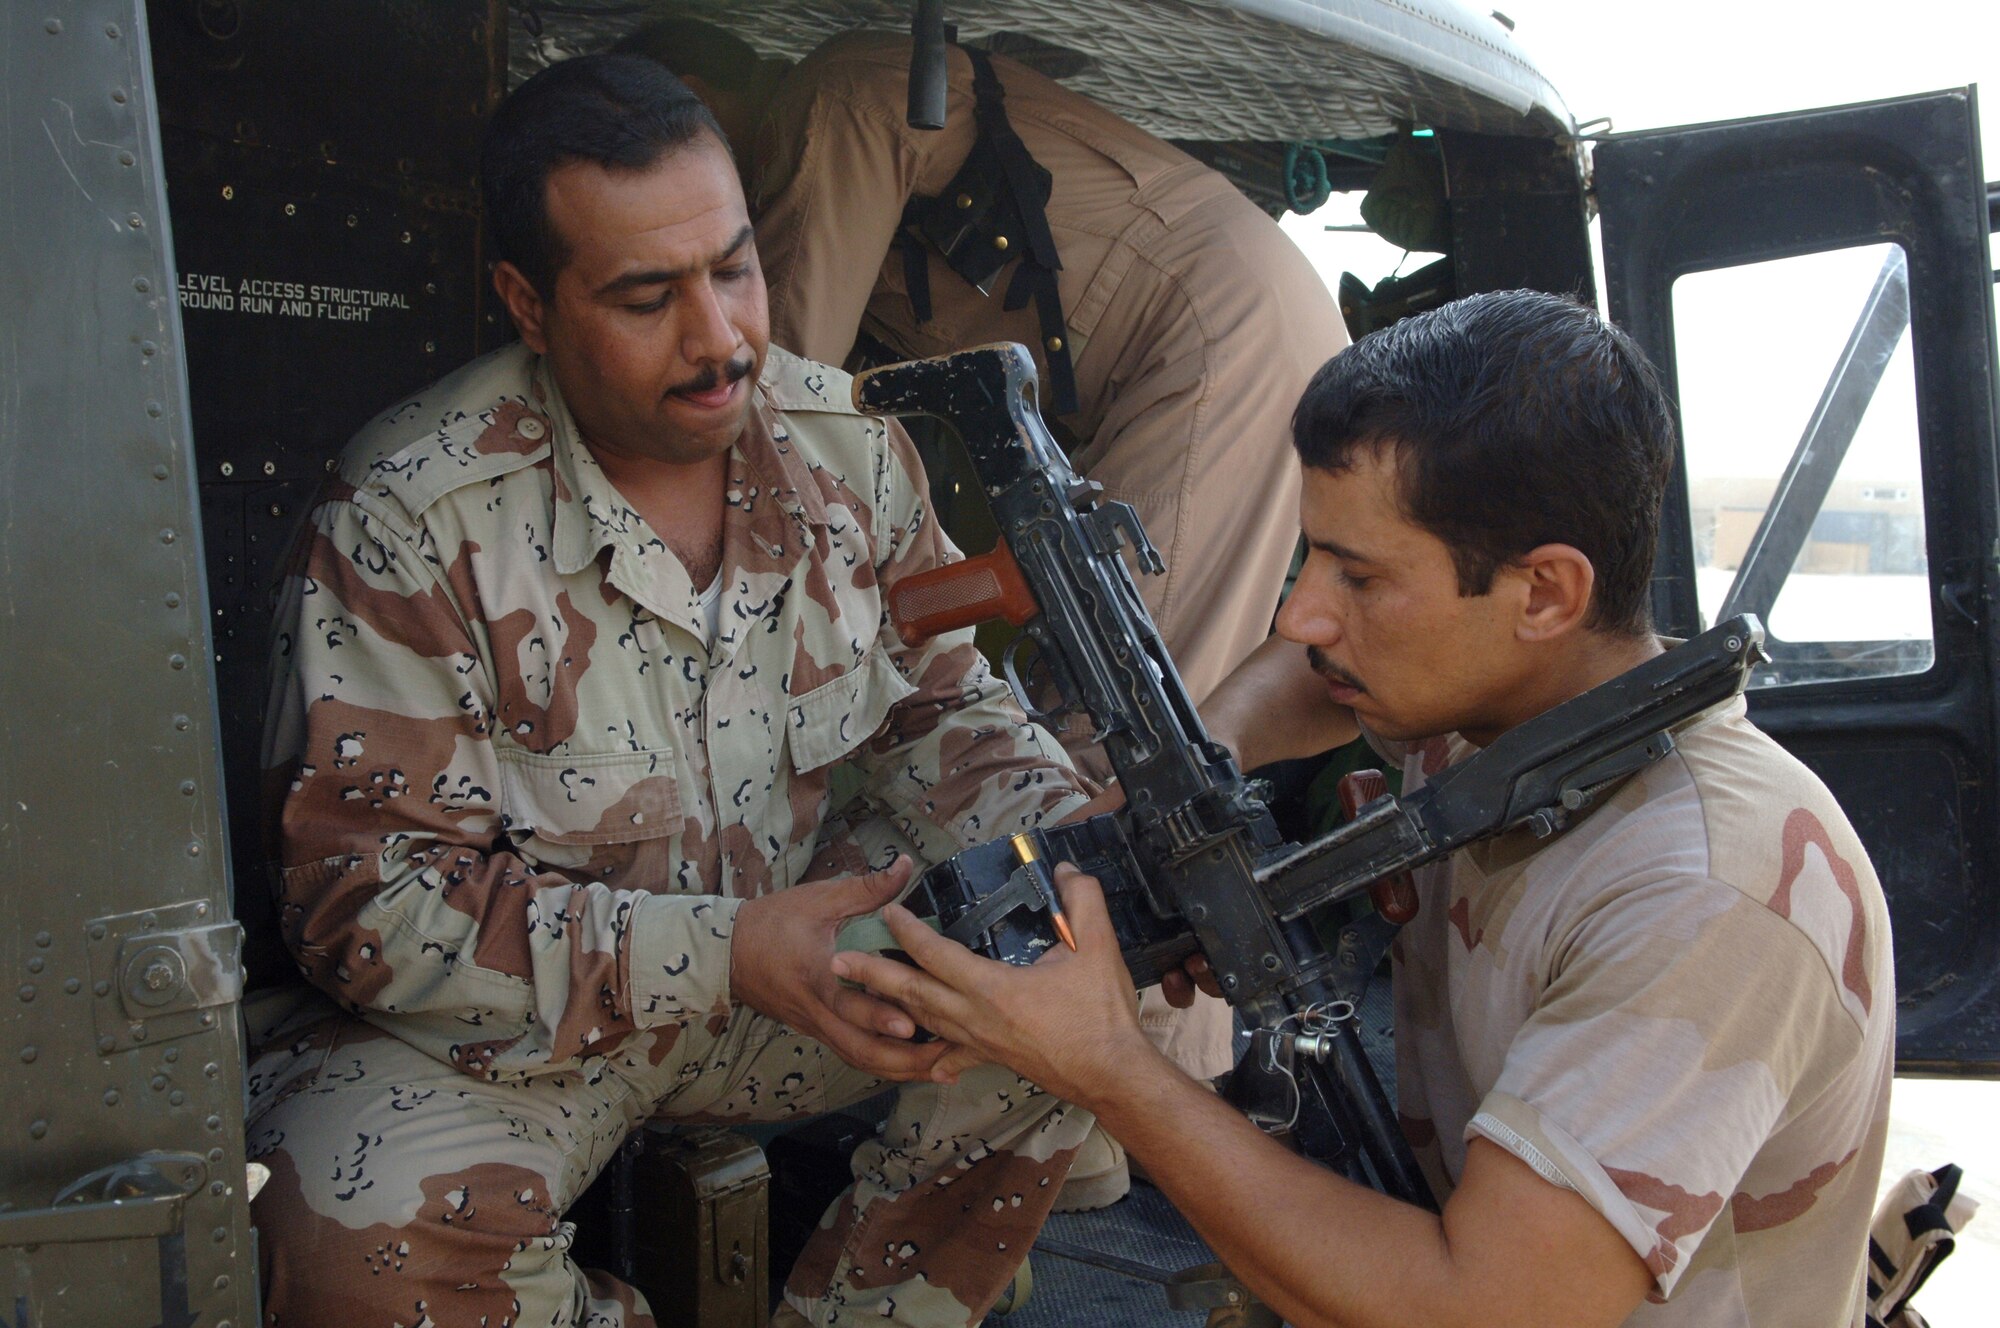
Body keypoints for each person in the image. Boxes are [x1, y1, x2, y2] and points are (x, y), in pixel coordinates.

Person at [834, 291, 1897, 1327]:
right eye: (1309, 559)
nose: (1302, 612)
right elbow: (1303, 673)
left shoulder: (1702, 894)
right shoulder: (1506, 704)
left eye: (1356, 575)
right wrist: (1200, 760)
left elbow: (1479, 1305)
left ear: (1542, 592)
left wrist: (1109, 1065)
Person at [246, 54, 1099, 1328]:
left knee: (1065, 986)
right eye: (647, 295)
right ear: (527, 304)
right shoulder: (412, 516)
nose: (719, 339)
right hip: (520, 1032)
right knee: (353, 1231)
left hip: (808, 974)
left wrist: (1068, 838)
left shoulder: (850, 450)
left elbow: (938, 709)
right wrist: (720, 953)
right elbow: (367, 908)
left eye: (735, 269)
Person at [618, 17, 1347, 1158]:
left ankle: (1147, 1104)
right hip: (1172, 349)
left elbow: (772, 385)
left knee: (1133, 719)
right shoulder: (815, 149)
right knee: (1104, 710)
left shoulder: (835, 101)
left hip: (1217, 340)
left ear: (716, 97)